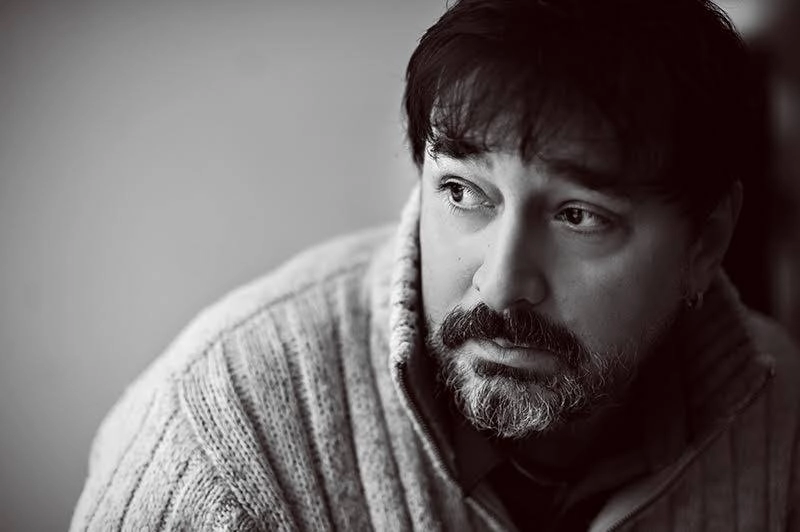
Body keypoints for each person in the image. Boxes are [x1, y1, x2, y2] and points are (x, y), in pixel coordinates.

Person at [70, 0, 800, 530]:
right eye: (462, 192)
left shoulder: (783, 422)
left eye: (579, 216)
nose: (502, 283)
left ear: (705, 243)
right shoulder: (221, 448)